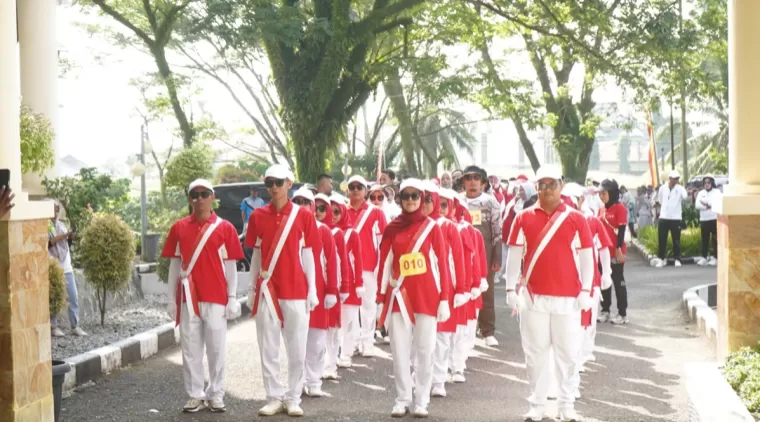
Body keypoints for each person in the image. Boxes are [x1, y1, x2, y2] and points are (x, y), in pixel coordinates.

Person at [505, 165, 595, 422]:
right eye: (541, 185)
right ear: (536, 187)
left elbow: (587, 256)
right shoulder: (523, 217)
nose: (546, 190)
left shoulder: (576, 218)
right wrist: (511, 289)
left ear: (561, 185)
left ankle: (567, 405)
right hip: (533, 297)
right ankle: (538, 404)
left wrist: (586, 289)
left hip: (568, 297)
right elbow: (513, 255)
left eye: (551, 184)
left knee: (568, 353)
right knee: (535, 352)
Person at [162, 179, 244, 413]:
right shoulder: (178, 228)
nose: (199, 199)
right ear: (189, 198)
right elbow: (174, 267)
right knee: (190, 348)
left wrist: (232, 297)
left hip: (216, 297)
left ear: (212, 196)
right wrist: (171, 299)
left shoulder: (225, 227)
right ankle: (195, 394)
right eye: (195, 195)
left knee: (216, 348)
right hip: (189, 298)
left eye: (204, 194)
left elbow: (230, 267)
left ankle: (216, 393)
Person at [244, 165, 321, 417]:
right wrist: (251, 288)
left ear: (289, 183)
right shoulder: (257, 216)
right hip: (268, 289)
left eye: (278, 182)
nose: (273, 187)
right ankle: (273, 396)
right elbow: (256, 253)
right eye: (269, 183)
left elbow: (309, 255)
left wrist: (312, 291)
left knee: (297, 346)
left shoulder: (304, 216)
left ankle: (293, 396)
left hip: (296, 290)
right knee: (268, 346)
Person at [376, 178, 451, 418]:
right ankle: (402, 398)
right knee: (399, 351)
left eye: (415, 196)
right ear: (399, 199)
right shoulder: (391, 228)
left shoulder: (433, 227)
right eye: (405, 196)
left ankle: (422, 399)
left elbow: (443, 266)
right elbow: (384, 266)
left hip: (427, 298)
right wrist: (380, 300)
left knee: (425, 350)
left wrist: (445, 299)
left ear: (423, 198)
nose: (410, 200)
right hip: (399, 298)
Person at [421, 182, 467, 398]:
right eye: (427, 199)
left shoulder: (449, 227)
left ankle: (438, 380)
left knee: (441, 338)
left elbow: (458, 259)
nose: (431, 205)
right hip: (419, 289)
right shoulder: (413, 225)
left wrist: (461, 290)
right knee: (420, 338)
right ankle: (420, 377)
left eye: (433, 200)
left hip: (443, 289)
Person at [292, 189, 339, 398]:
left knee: (316, 339)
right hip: (292, 291)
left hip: (317, 291)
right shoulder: (288, 229)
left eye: (306, 202)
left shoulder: (323, 230)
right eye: (297, 201)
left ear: (312, 207)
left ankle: (314, 380)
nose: (302, 205)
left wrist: (331, 290)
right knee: (295, 338)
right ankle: (297, 380)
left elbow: (332, 262)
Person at [345, 175, 387, 357]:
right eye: (352, 186)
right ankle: (352, 342)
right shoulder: (341, 211)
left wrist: (380, 268)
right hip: (347, 268)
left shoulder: (375, 212)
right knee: (350, 307)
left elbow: (383, 241)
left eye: (359, 187)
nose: (355, 190)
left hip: (369, 266)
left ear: (365, 190)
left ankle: (368, 342)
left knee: (368, 305)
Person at [461, 165, 501, 347]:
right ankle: (463, 329)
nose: (472, 182)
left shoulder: (490, 202)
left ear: (483, 183)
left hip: (484, 253)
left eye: (476, 178)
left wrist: (497, 257)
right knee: (462, 291)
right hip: (460, 254)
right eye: (468, 178)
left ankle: (488, 331)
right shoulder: (457, 202)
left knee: (486, 292)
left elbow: (497, 232)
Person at [315, 193, 351, 380]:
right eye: (316, 208)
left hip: (332, 286)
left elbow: (342, 261)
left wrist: (344, 287)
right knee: (317, 328)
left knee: (332, 326)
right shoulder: (310, 229)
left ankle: (331, 363)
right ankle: (317, 366)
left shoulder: (336, 233)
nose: (318, 212)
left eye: (323, 208)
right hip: (315, 287)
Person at [330, 194, 364, 369]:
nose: (334, 215)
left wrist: (358, 284)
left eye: (337, 211)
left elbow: (358, 260)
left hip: (349, 284)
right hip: (331, 285)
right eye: (330, 211)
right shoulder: (323, 230)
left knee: (349, 321)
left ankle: (346, 352)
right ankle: (333, 354)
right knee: (335, 322)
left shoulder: (352, 234)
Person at [48, 200, 88, 337]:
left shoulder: (62, 225)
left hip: (66, 266)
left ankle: (75, 326)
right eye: (53, 209)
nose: (56, 212)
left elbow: (66, 244)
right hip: (53, 266)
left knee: (73, 297)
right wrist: (65, 236)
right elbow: (50, 242)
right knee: (54, 297)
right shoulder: (45, 226)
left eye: (57, 209)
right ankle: (53, 326)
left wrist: (70, 237)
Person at [597, 179, 629, 325]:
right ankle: (605, 310)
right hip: (603, 253)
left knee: (618, 281)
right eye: (600, 193)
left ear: (612, 193)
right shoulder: (601, 209)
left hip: (616, 253)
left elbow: (621, 231)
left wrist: (618, 249)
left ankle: (622, 313)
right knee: (604, 281)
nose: (601, 196)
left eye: (604, 193)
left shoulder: (620, 208)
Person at [653, 171, 688, 268]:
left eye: (677, 178)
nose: (676, 180)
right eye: (674, 178)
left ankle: (677, 259)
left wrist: (683, 190)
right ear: (670, 178)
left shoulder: (680, 188)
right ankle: (661, 259)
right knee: (662, 239)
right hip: (664, 217)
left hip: (675, 218)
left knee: (676, 240)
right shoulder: (663, 188)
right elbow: (660, 200)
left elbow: (685, 197)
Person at [695, 175, 721, 266]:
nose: (706, 184)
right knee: (704, 239)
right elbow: (697, 205)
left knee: (715, 239)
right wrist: (707, 206)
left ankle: (716, 257)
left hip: (714, 218)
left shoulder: (717, 192)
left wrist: (708, 203)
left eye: (708, 182)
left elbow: (717, 203)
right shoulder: (701, 193)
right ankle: (704, 257)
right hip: (704, 219)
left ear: (712, 183)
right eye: (705, 182)